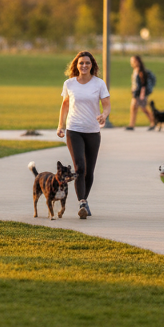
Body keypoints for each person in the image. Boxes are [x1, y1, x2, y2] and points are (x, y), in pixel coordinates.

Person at [57, 50, 111, 219]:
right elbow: (65, 105)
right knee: (80, 168)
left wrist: (104, 115)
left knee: (89, 171)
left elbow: (107, 105)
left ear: (92, 65)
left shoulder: (99, 83)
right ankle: (82, 202)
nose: (84, 65)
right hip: (74, 130)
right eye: (81, 63)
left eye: (87, 63)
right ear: (76, 65)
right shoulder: (69, 83)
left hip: (93, 131)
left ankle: (84, 201)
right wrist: (61, 125)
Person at [126, 55, 156, 131]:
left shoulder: (141, 71)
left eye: (134, 61)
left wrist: (142, 95)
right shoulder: (135, 70)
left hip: (140, 94)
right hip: (135, 93)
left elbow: (143, 84)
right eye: (131, 61)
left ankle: (153, 121)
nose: (132, 63)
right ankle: (131, 124)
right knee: (133, 108)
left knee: (144, 108)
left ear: (138, 62)